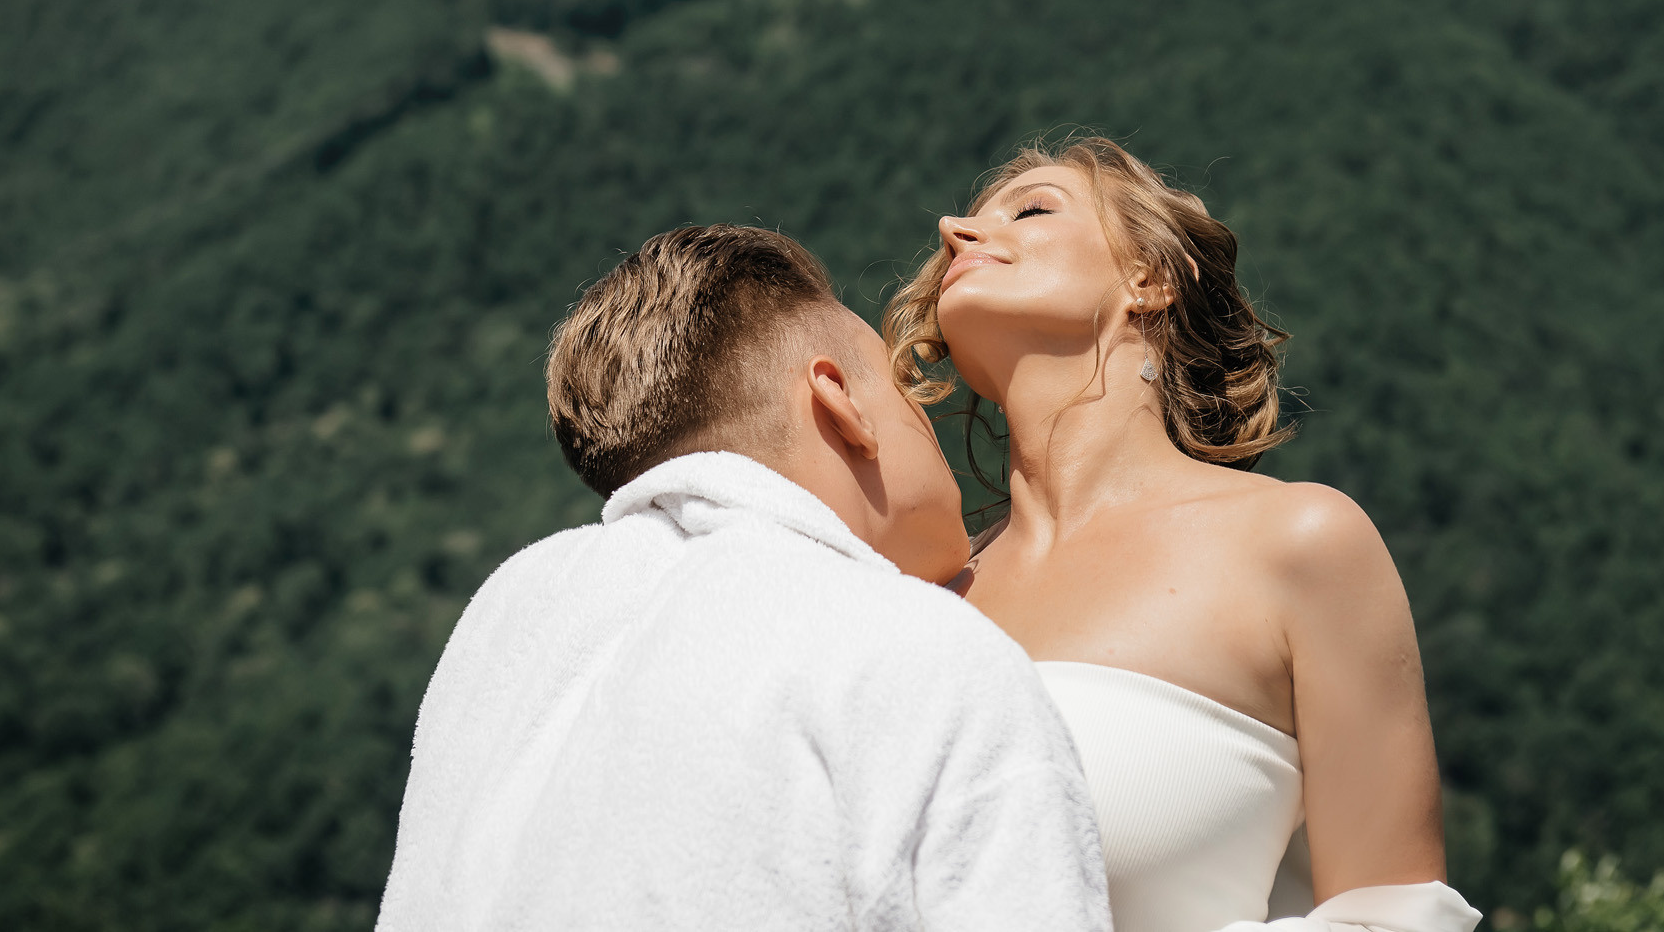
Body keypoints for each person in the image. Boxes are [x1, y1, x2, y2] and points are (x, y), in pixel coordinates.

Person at [376, 225, 1112, 932]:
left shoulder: (514, 621)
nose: (923, 409)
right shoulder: (918, 650)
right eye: (897, 383)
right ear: (839, 400)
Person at [884, 138, 1481, 932]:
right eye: (960, 222)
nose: (953, 226)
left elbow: (1396, 917)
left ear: (1151, 278)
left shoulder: (1299, 544)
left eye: (1031, 208)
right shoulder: (915, 606)